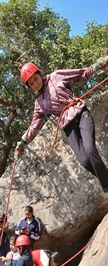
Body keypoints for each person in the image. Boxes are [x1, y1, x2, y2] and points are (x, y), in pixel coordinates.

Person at [15, 57, 108, 193]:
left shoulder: (56, 76)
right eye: (31, 83)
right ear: (29, 87)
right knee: (84, 160)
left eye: (35, 79)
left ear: (39, 74)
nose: (35, 83)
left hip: (81, 114)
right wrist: (22, 143)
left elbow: (80, 75)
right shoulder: (39, 104)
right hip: (68, 127)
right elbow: (34, 125)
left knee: (90, 150)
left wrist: (97, 66)